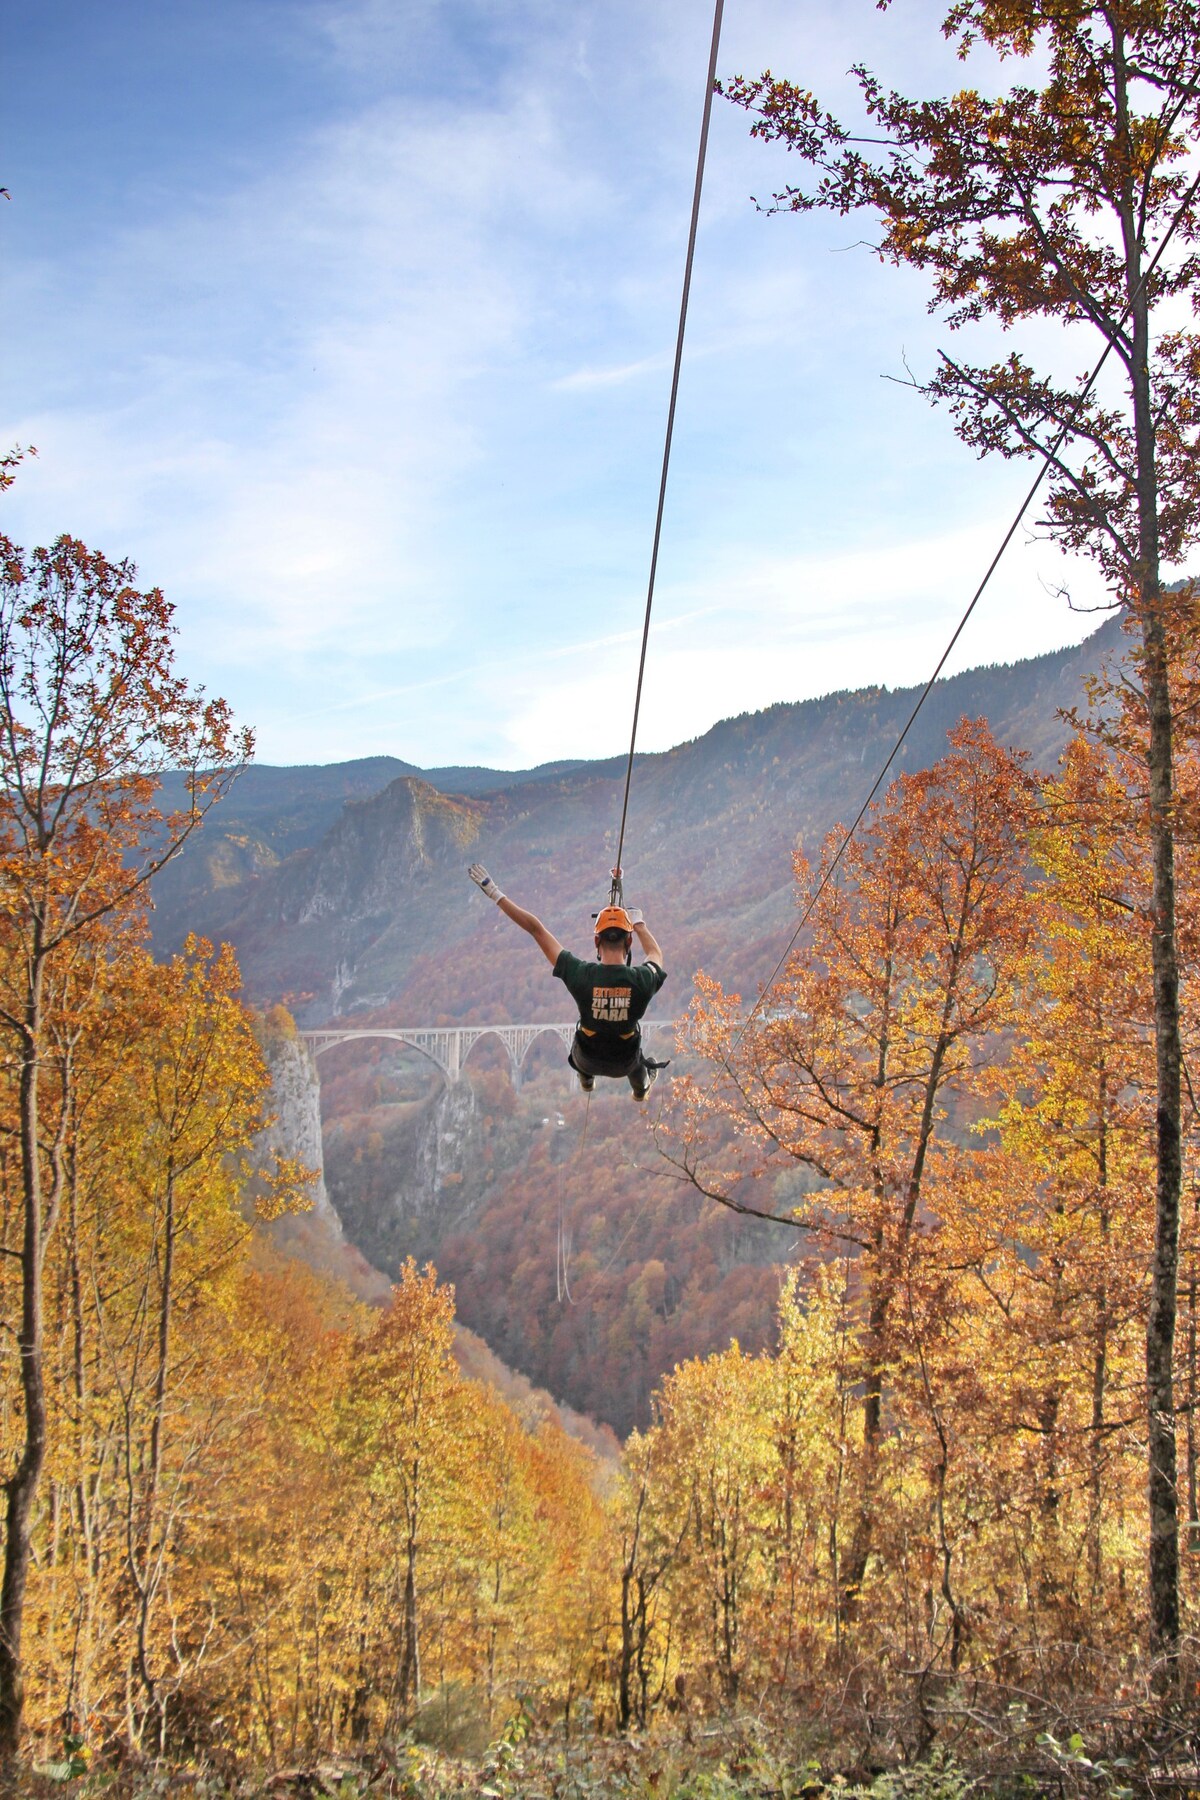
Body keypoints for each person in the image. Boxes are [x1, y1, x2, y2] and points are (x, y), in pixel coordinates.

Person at [467, 863, 667, 1101]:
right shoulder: (642, 981)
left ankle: (586, 1079)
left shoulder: (580, 975)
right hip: (623, 1063)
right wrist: (639, 924)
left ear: (596, 943)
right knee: (637, 1060)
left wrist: (495, 893)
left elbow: (536, 930)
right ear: (629, 943)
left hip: (587, 1058)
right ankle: (640, 1089)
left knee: (582, 1043)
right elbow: (655, 954)